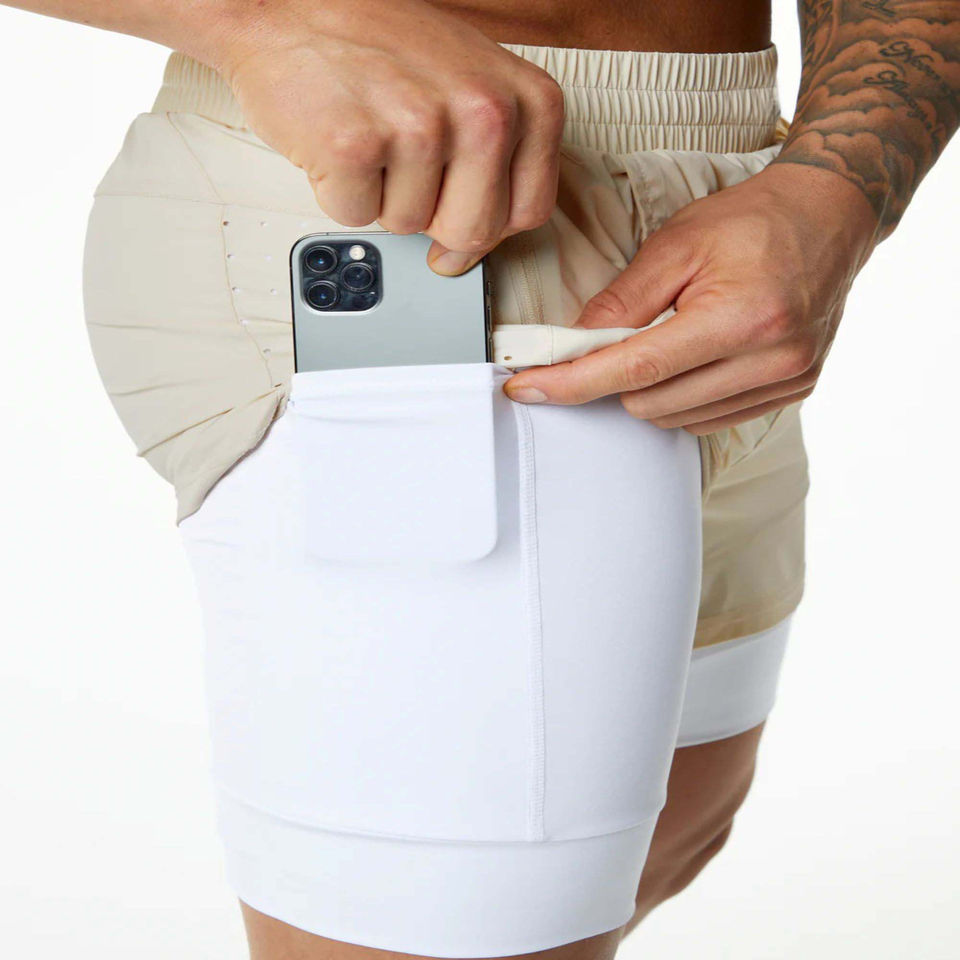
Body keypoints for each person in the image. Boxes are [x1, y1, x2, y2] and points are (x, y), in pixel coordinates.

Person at [5, 1, 957, 958]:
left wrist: (836, 187)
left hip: (739, 213)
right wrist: (264, 23)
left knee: (674, 826)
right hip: (405, 197)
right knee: (456, 923)